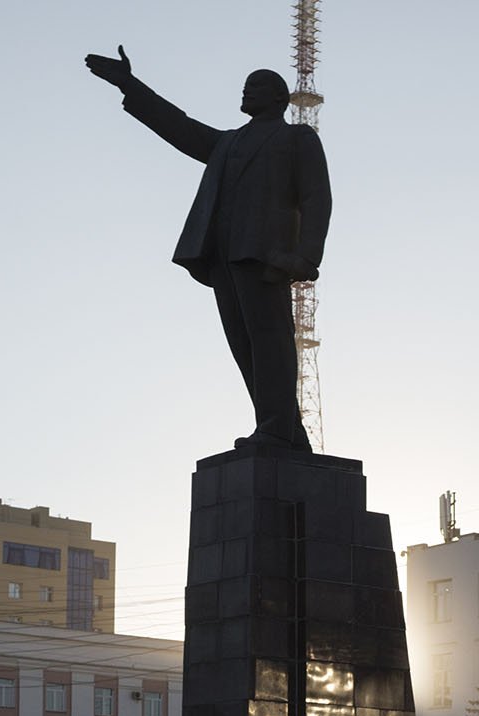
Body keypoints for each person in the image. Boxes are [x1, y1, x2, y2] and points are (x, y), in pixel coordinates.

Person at [83, 46, 331, 452]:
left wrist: (305, 256)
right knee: (245, 348)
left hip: (265, 257)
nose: (246, 91)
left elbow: (317, 197)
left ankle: (276, 428)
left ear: (277, 98)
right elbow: (178, 127)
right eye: (246, 85)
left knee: (271, 343)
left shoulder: (295, 138)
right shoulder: (227, 143)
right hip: (222, 257)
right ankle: (286, 431)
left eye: (255, 87)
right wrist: (129, 83)